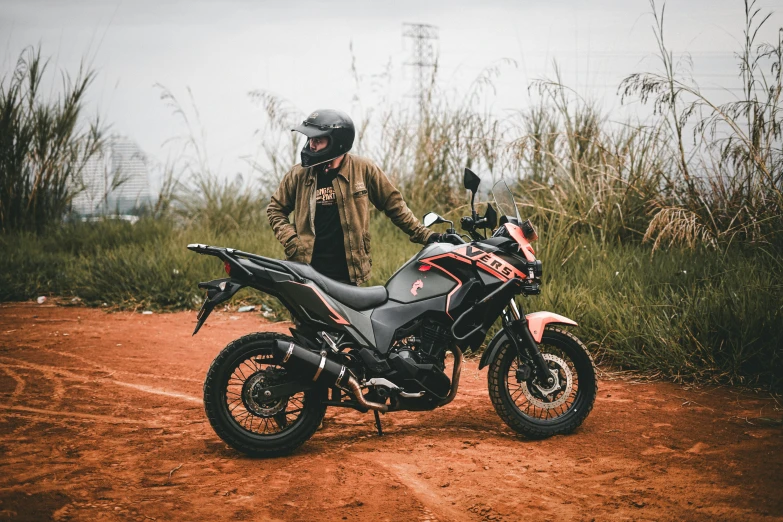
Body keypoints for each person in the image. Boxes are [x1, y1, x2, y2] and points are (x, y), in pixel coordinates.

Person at [267, 109, 437, 286]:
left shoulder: (363, 169)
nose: (311, 145)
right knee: (304, 314)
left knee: (344, 315)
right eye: (310, 139)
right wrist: (291, 241)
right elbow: (275, 210)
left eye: (318, 140)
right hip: (305, 268)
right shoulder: (298, 174)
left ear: (336, 142)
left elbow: (394, 205)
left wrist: (426, 236)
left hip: (347, 271)